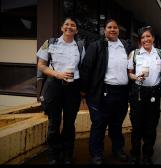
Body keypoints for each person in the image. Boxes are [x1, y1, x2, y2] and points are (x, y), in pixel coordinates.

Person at [79, 19, 131, 164]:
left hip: (121, 93)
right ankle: (96, 155)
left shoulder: (126, 47)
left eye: (115, 27)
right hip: (102, 92)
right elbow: (86, 68)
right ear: (104, 30)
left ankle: (118, 150)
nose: (112, 30)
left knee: (116, 125)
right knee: (99, 125)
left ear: (118, 30)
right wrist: (83, 90)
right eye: (109, 27)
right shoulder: (96, 46)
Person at [36, 16, 85, 165]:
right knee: (54, 123)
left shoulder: (80, 46)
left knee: (70, 123)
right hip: (54, 86)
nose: (69, 27)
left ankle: (68, 155)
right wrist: (58, 74)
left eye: (73, 25)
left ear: (76, 30)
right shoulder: (50, 43)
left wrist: (83, 89)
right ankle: (53, 155)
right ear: (62, 27)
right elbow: (41, 66)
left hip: (73, 88)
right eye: (66, 24)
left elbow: (82, 68)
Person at [127, 26, 161, 165]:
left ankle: (147, 155)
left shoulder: (159, 53)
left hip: (154, 93)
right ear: (140, 40)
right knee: (137, 126)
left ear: (153, 38)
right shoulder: (134, 54)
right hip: (139, 93)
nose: (146, 39)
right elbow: (129, 73)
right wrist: (135, 77)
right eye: (143, 37)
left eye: (148, 36)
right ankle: (135, 154)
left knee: (151, 126)